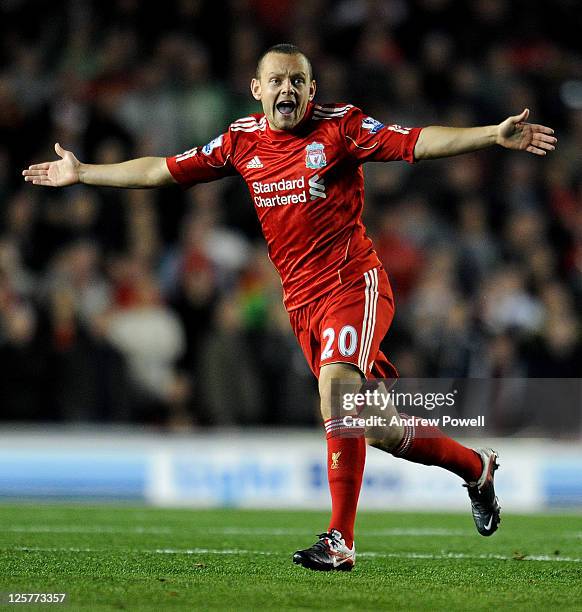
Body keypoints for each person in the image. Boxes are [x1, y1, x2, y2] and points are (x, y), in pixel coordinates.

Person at [23, 43, 557, 572]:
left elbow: (418, 141)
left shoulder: (342, 127)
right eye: (276, 80)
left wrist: (492, 134)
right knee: (379, 429)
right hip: (302, 304)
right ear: (257, 90)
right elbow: (159, 170)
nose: (288, 89)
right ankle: (476, 468)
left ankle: (340, 541)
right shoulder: (240, 140)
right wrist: (84, 171)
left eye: (297, 81)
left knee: (337, 395)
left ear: (311, 90)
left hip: (354, 283)